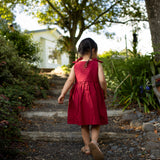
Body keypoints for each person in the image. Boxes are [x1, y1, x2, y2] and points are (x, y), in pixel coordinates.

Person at [58, 38, 108, 160]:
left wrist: (62, 94)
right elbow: (102, 80)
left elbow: (70, 80)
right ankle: (94, 143)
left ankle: (87, 146)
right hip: (94, 95)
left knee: (83, 122)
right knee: (96, 121)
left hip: (79, 96)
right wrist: (104, 92)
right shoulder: (97, 64)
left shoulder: (76, 65)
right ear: (93, 50)